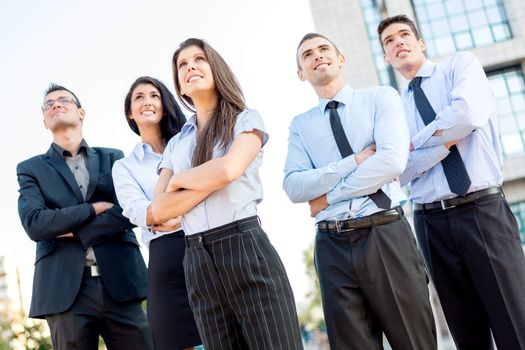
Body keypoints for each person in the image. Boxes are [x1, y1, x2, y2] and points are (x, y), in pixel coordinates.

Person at [378, 14, 525, 350]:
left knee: (515, 323)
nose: (398, 42)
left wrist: (414, 142)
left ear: (420, 43)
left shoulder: (459, 67)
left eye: (404, 35)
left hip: (482, 211)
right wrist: (442, 143)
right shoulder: (393, 111)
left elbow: (467, 115)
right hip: (430, 221)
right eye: (389, 41)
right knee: (465, 332)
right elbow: (396, 169)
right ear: (386, 57)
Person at [283, 33, 436, 350]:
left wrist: (328, 196)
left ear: (341, 58)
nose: (317, 56)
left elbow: (391, 162)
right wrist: (353, 161)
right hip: (331, 243)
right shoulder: (300, 125)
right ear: (300, 73)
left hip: (384, 233)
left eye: (325, 48)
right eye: (307, 54)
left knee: (414, 341)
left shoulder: (381, 98)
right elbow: (294, 186)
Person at [150, 38, 303, 350]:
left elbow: (228, 171)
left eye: (199, 59)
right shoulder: (177, 145)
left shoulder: (245, 119)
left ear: (216, 69)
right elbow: (159, 209)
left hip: (245, 246)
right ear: (179, 86)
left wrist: (180, 181)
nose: (190, 66)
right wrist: (208, 181)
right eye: (182, 65)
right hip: (196, 260)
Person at [16, 84, 153, 350]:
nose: (56, 104)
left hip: (120, 282)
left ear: (81, 113)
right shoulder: (30, 169)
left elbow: (126, 211)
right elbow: (35, 223)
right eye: (49, 104)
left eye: (63, 100)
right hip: (64, 290)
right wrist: (92, 209)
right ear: (45, 121)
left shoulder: (113, 158)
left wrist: (77, 230)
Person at [112, 76, 201, 350]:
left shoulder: (192, 143)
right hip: (166, 258)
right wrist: (168, 212)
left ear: (164, 104)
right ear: (130, 112)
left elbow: (214, 184)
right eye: (138, 97)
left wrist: (169, 213)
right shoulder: (124, 167)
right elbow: (139, 212)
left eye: (154, 95)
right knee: (177, 340)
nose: (147, 101)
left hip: (206, 241)